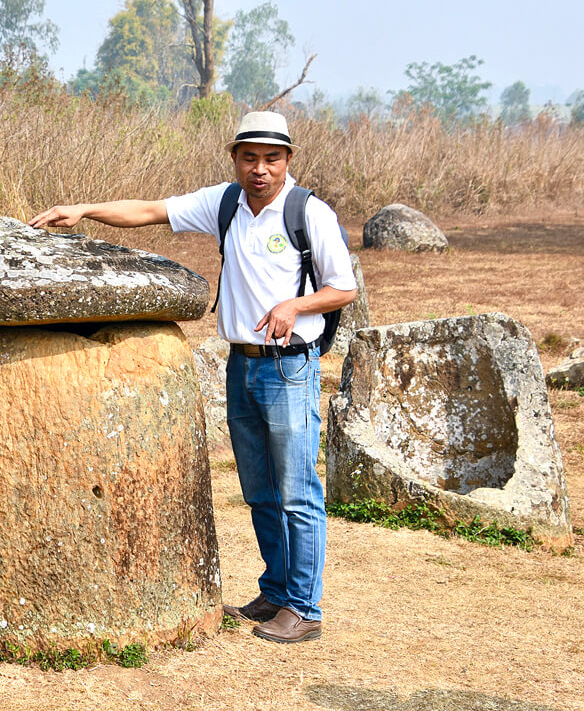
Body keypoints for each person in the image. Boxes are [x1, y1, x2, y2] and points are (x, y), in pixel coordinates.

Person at [30, 111, 356, 644]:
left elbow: (343, 288)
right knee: (259, 489)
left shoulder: (308, 213)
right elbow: (150, 210)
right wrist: (85, 209)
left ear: (288, 160)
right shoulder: (226, 203)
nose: (260, 169)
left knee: (297, 491)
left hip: (289, 365)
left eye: (271, 159)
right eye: (249, 158)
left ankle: (304, 607)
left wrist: (294, 305)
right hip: (240, 362)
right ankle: (276, 591)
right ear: (235, 159)